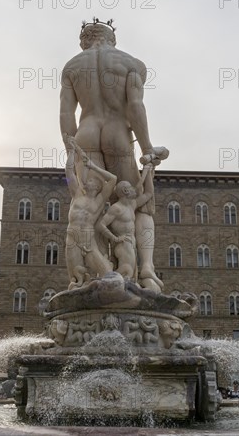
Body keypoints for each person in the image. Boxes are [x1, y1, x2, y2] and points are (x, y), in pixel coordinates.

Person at [60, 19, 167, 291]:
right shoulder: (132, 64)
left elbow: (66, 114)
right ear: (112, 39)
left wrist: (72, 152)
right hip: (117, 134)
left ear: (84, 41)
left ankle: (91, 275)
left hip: (86, 134)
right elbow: (135, 107)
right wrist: (146, 149)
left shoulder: (72, 67)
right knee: (139, 204)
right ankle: (145, 272)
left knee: (89, 203)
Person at [64, 136, 117, 289]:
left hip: (87, 238)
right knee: (75, 281)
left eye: (92, 180)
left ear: (98, 186)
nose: (87, 181)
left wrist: (93, 166)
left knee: (108, 273)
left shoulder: (99, 200)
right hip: (72, 236)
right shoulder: (77, 194)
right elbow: (69, 172)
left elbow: (113, 179)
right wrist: (72, 151)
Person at [97, 163, 155, 282]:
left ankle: (109, 282)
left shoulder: (132, 205)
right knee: (127, 271)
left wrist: (148, 172)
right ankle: (104, 281)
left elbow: (149, 193)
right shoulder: (116, 208)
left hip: (131, 244)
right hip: (122, 245)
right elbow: (101, 225)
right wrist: (114, 238)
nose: (134, 189)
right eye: (130, 187)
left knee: (130, 277)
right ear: (125, 190)